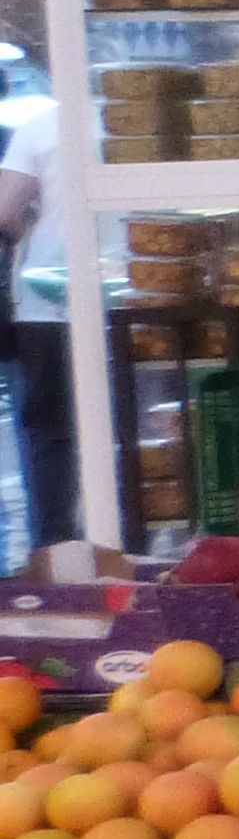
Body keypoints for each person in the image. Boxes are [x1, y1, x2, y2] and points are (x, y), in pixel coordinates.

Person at [0, 100, 65, 560]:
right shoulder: (123, 133)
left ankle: (56, 551)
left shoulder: (40, 129)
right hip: (134, 303)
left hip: (48, 301)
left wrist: (30, 224)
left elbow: (4, 214)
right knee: (133, 421)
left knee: (49, 431)